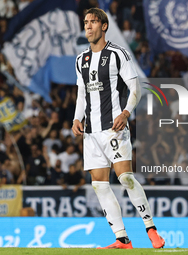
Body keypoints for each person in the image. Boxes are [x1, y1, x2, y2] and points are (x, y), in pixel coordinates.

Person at [72, 8, 164, 249]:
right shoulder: (80, 60)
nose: (88, 26)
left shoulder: (117, 54)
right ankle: (122, 238)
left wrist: (125, 113)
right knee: (99, 185)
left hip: (114, 127)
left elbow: (136, 88)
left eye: (93, 22)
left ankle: (151, 228)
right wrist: (76, 118)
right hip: (90, 133)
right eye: (86, 22)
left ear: (104, 26)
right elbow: (82, 93)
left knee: (126, 178)